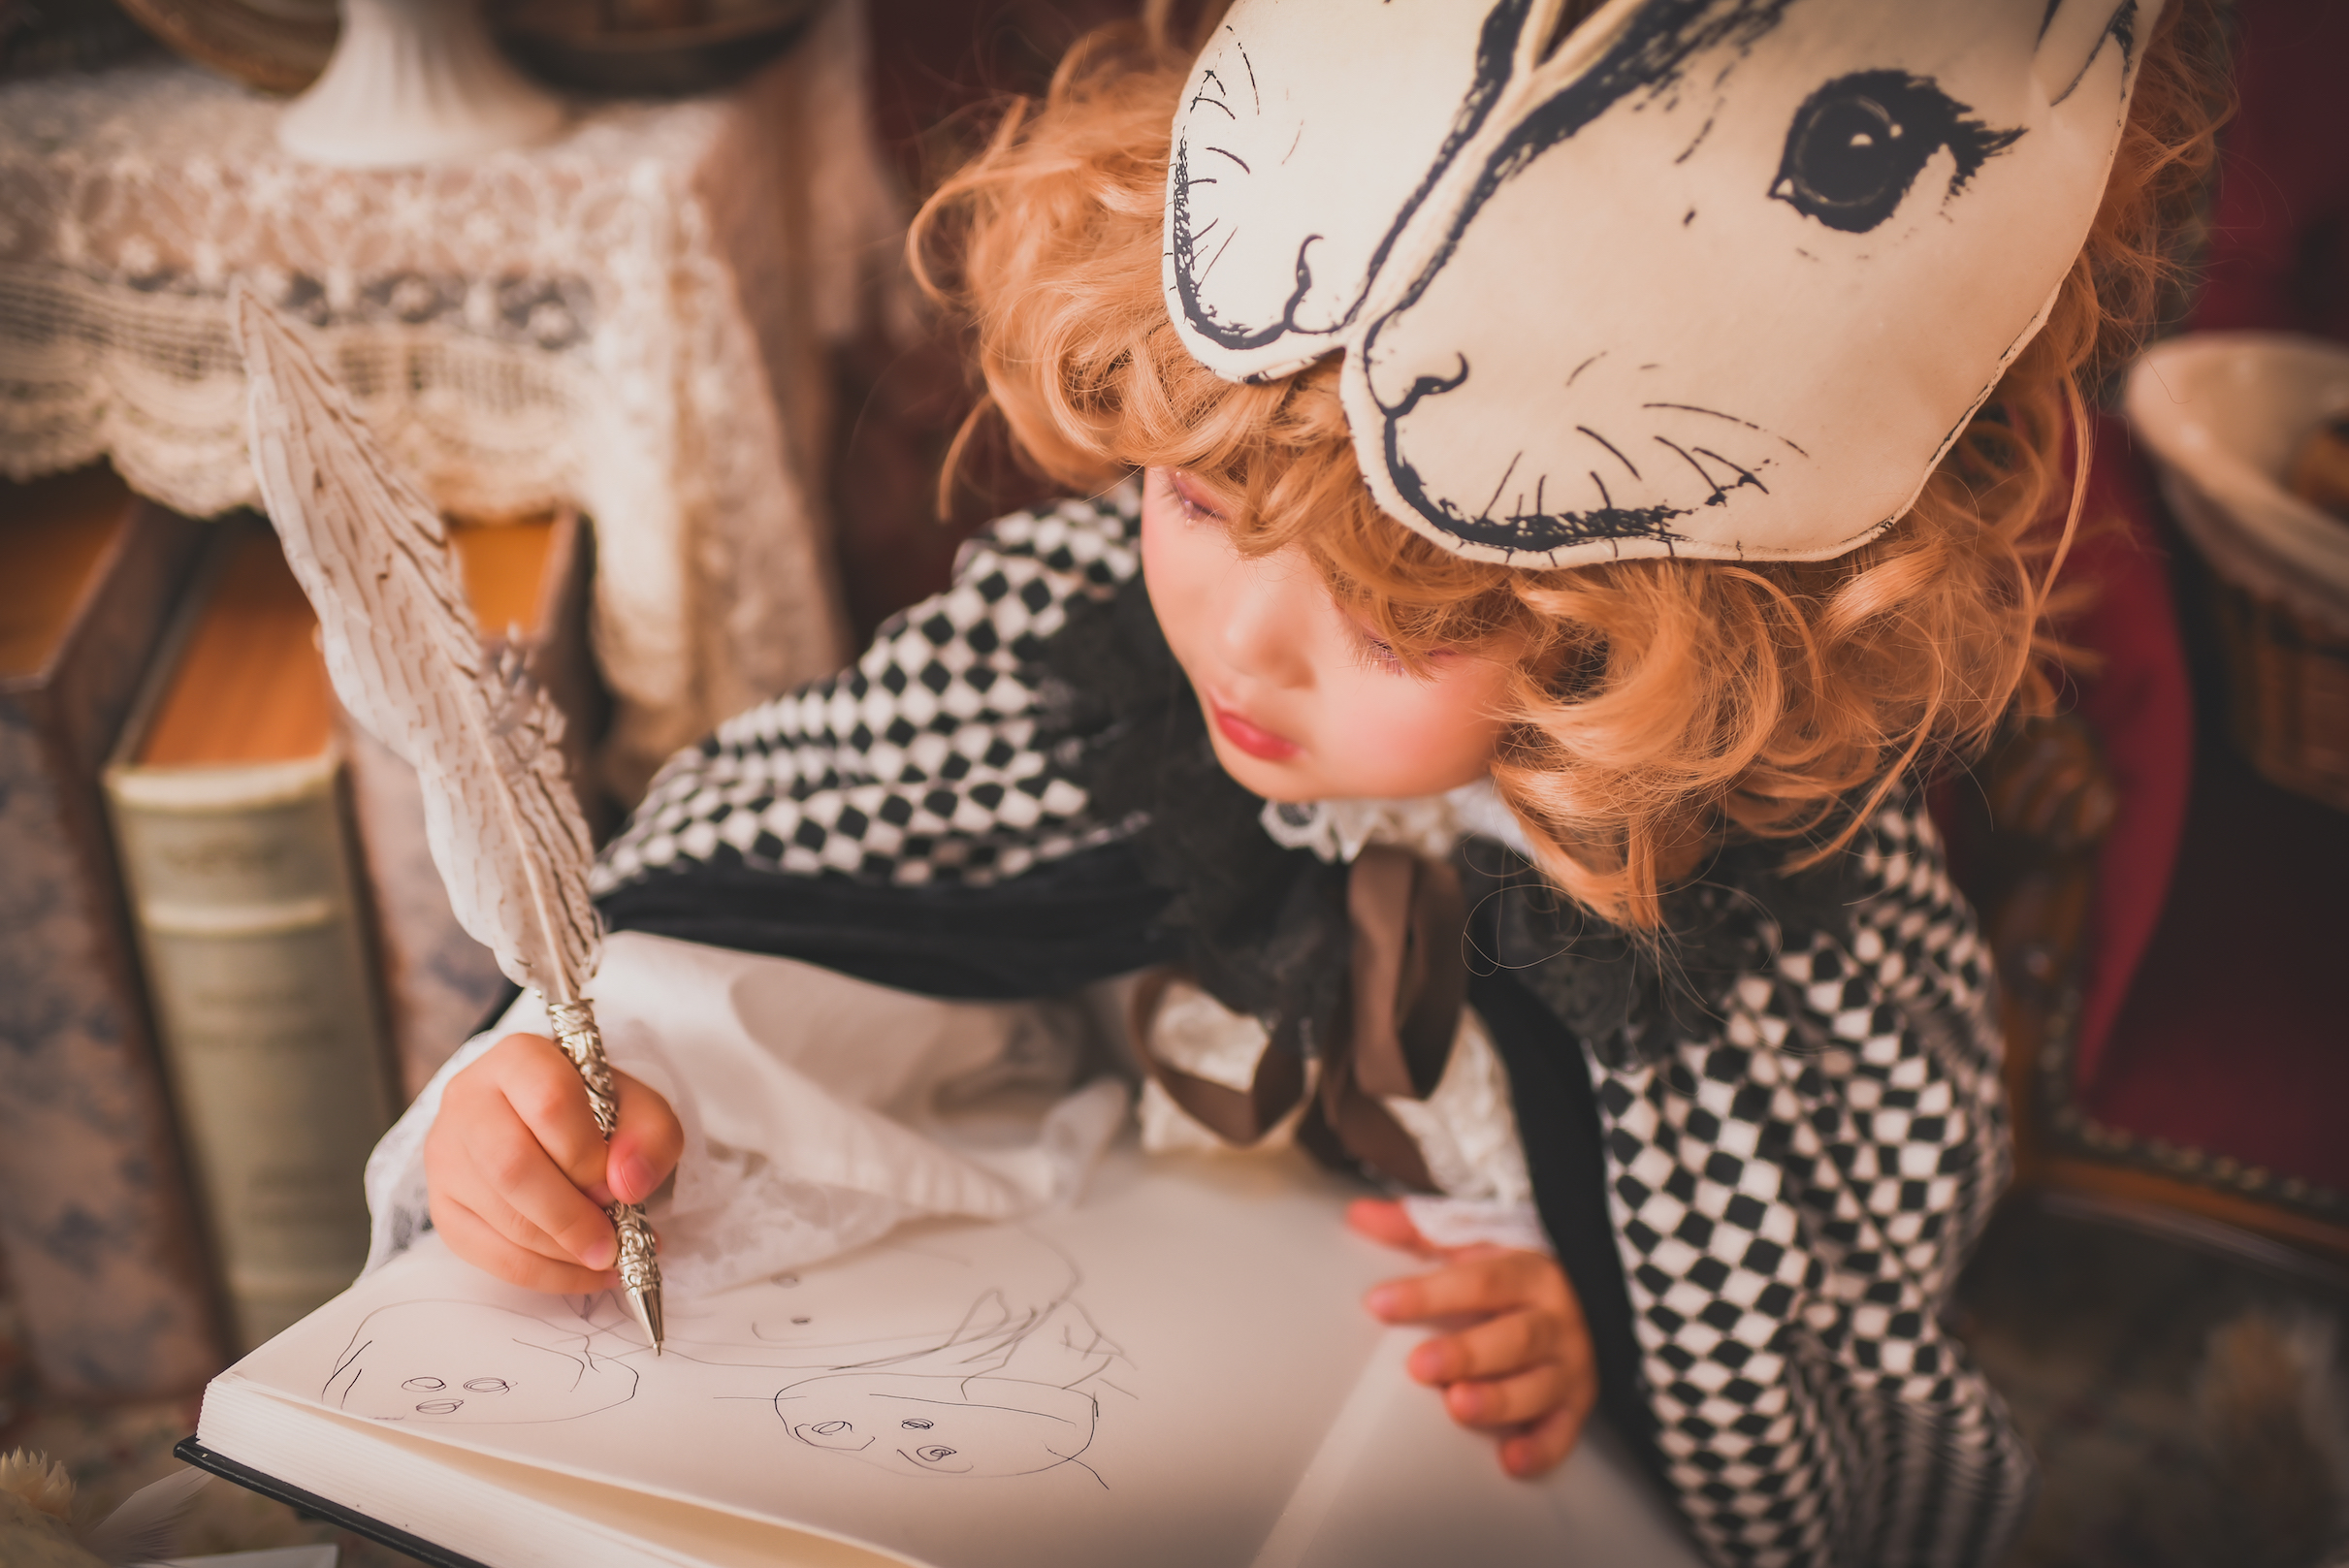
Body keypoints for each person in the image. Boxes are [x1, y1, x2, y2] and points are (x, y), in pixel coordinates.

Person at [411, 1, 2226, 1562]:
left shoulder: (1774, 898)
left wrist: (1605, 1335)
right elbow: (779, 877)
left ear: (1644, 633)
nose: (1241, 647)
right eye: (1197, 500)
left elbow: (1819, 1292)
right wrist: (589, 1079)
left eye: (1400, 621)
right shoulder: (1083, 649)